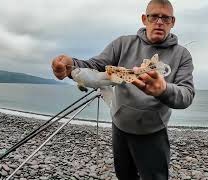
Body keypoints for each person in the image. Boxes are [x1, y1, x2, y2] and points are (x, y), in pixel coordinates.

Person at [51, 0, 195, 179]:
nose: (159, 22)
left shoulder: (182, 55)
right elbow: (95, 66)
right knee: (124, 176)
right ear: (144, 19)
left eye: (165, 18)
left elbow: (186, 95)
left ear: (172, 22)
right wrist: (70, 66)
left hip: (153, 133)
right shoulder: (122, 44)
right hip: (120, 128)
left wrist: (163, 89)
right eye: (154, 16)